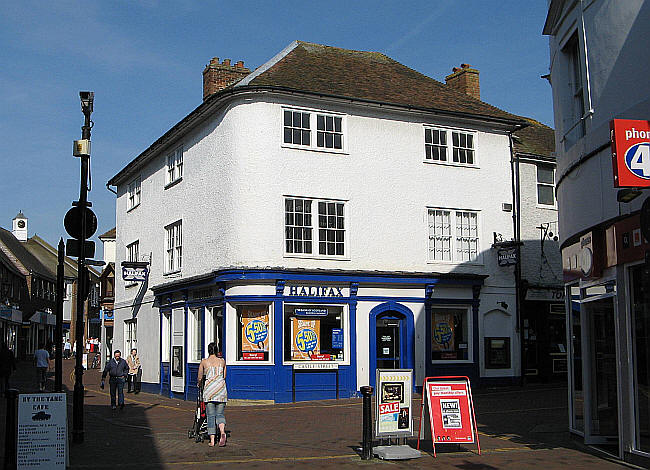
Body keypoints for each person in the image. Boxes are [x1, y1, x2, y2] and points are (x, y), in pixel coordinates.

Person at [197, 343, 227, 447]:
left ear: (208, 350)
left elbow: (200, 377)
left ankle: (212, 440)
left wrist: (199, 383)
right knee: (220, 414)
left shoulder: (204, 362)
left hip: (209, 391)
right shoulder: (222, 361)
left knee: (210, 416)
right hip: (221, 390)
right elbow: (224, 376)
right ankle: (222, 432)